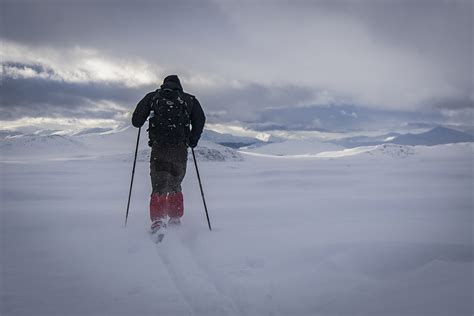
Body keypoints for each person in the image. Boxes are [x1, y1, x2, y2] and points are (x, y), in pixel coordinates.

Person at [132, 75, 205, 235]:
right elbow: (200, 120)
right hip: (179, 149)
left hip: (159, 148)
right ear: (180, 86)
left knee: (158, 185)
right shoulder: (189, 99)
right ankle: (175, 218)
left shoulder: (153, 97)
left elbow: (136, 121)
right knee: (175, 183)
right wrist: (193, 140)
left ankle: (158, 220)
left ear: (163, 84)